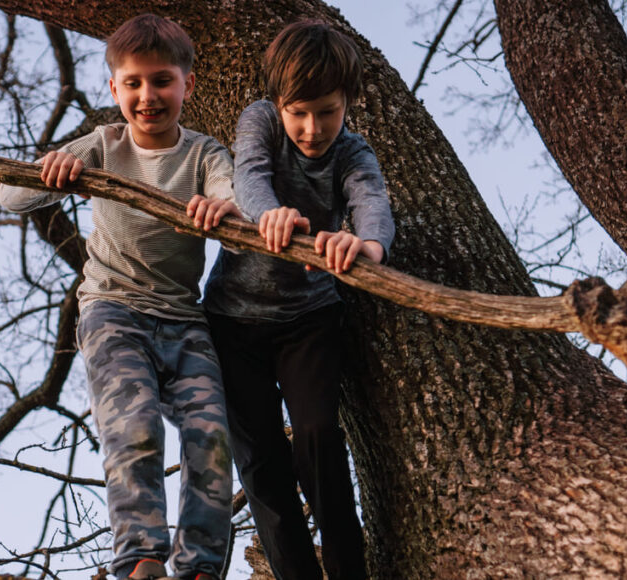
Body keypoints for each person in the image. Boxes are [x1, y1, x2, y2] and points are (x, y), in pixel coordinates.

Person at [0, 14, 237, 580]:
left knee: (212, 439)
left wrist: (224, 209)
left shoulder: (204, 155)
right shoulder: (103, 144)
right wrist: (54, 169)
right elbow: (10, 195)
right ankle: (141, 560)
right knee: (134, 429)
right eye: (132, 83)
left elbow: (237, 198)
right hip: (113, 311)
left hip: (185, 320)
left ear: (188, 85)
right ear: (114, 89)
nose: (147, 96)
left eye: (162, 81)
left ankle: (202, 566)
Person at [203, 19, 395, 580]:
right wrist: (271, 214)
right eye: (299, 112)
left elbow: (372, 205)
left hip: (308, 320)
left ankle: (348, 568)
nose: (312, 129)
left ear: (348, 104)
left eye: (327, 112)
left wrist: (367, 245)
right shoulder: (259, 120)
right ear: (279, 103)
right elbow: (251, 178)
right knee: (261, 464)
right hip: (233, 322)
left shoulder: (353, 153)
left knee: (317, 437)